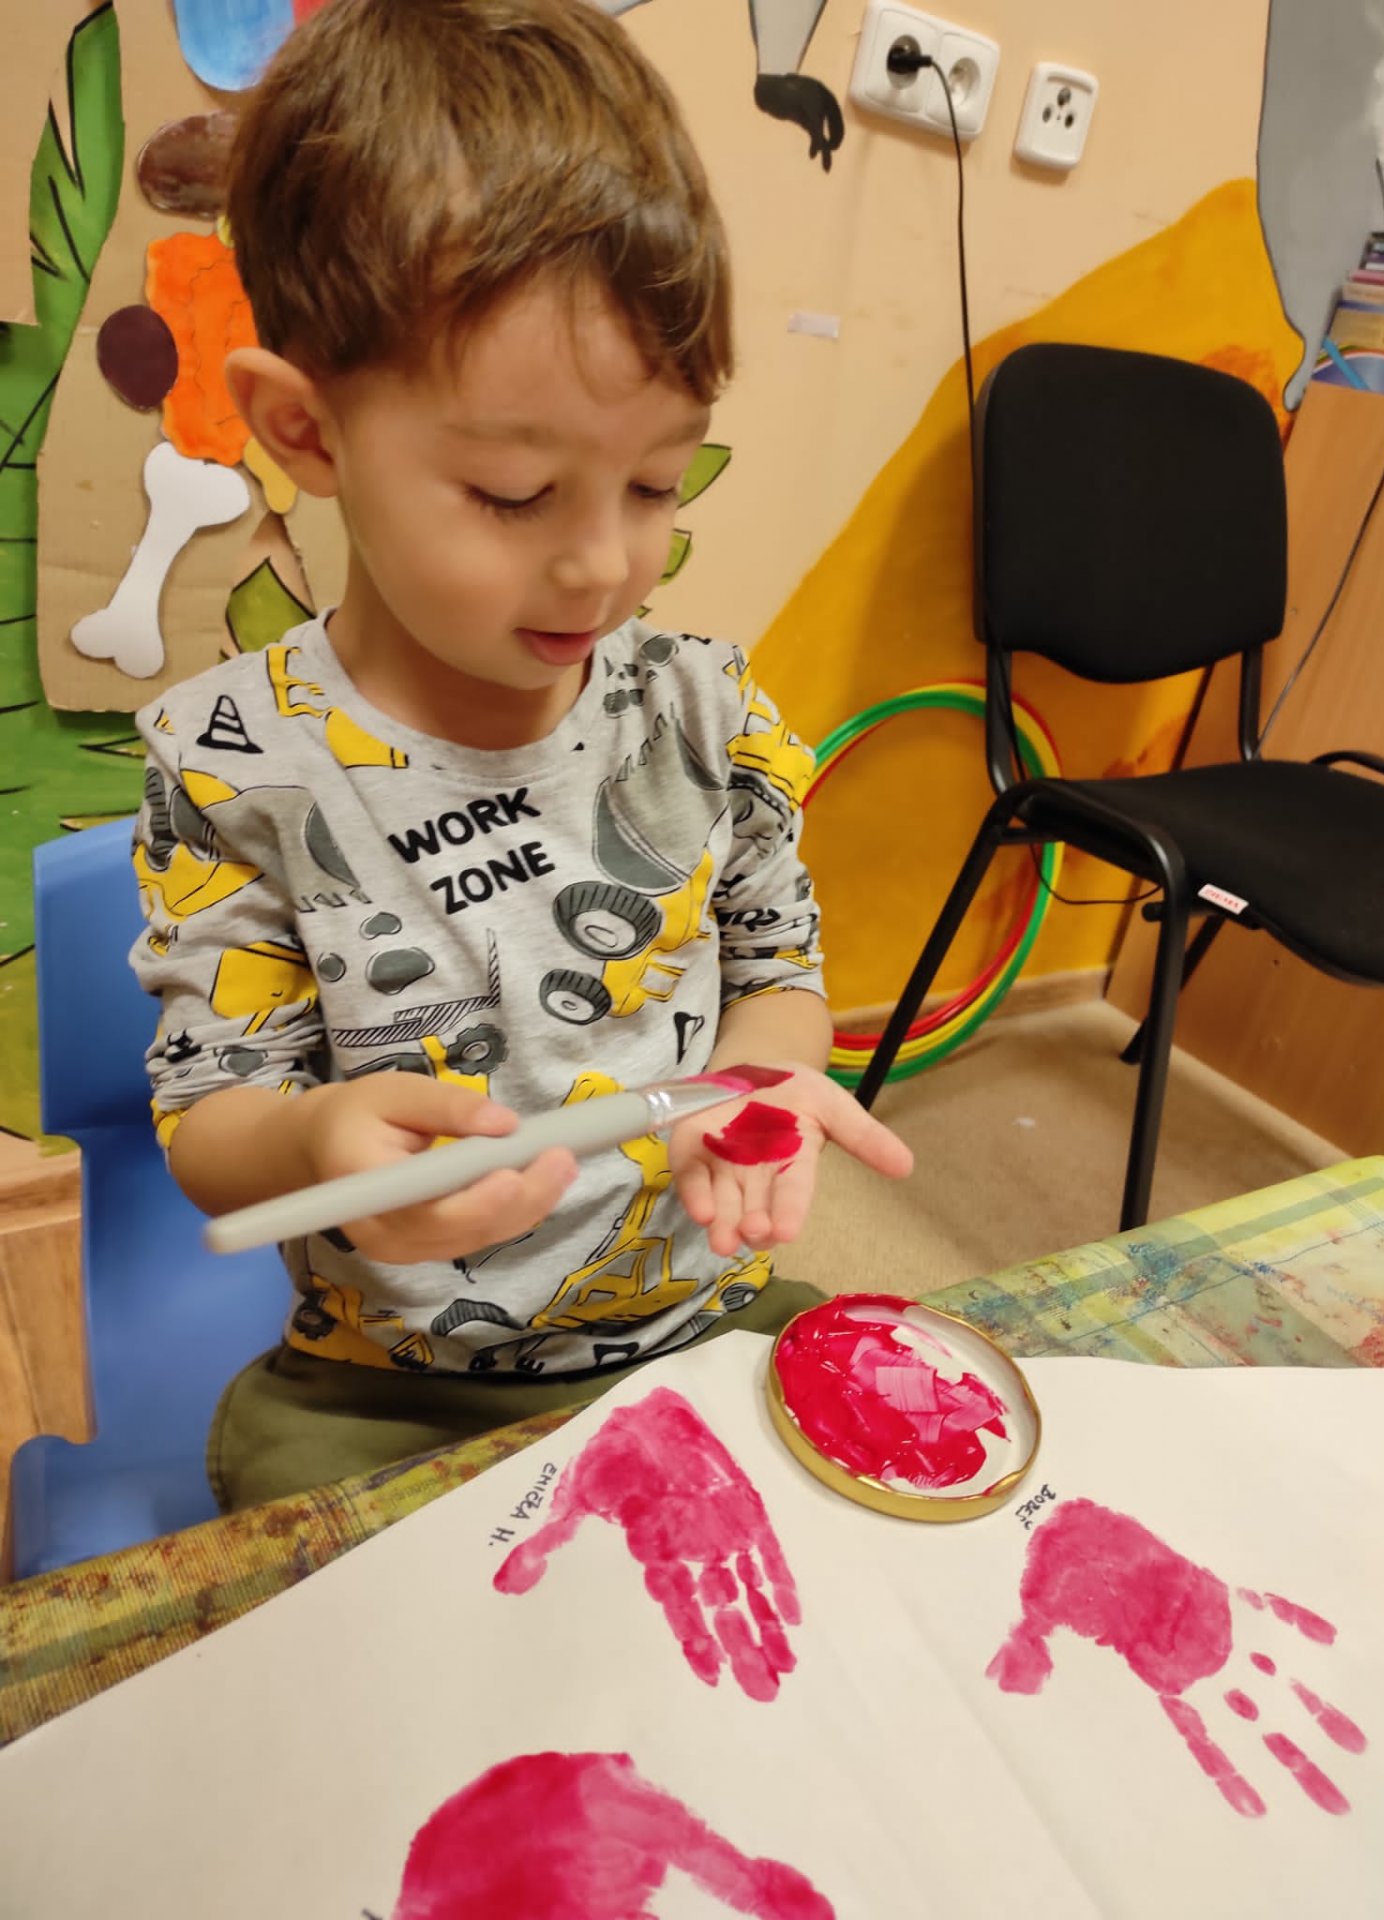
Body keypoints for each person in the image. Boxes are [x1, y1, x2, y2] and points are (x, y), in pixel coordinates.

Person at [130, 0, 911, 1512]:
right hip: (386, 1389)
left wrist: (756, 1089)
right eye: (510, 493)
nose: (602, 565)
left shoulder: (705, 712)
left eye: (656, 483)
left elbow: (780, 977)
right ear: (306, 432)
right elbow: (209, 1128)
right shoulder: (232, 767)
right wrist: (317, 1140)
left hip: (696, 1321)